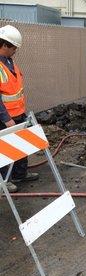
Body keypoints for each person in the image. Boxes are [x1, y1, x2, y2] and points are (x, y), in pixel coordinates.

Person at [0, 25, 39, 192]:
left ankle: (19, 174)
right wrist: (6, 119)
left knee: (22, 145)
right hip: (6, 117)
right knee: (6, 148)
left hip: (18, 113)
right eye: (14, 47)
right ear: (5, 45)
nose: (15, 50)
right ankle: (4, 180)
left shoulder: (9, 61)